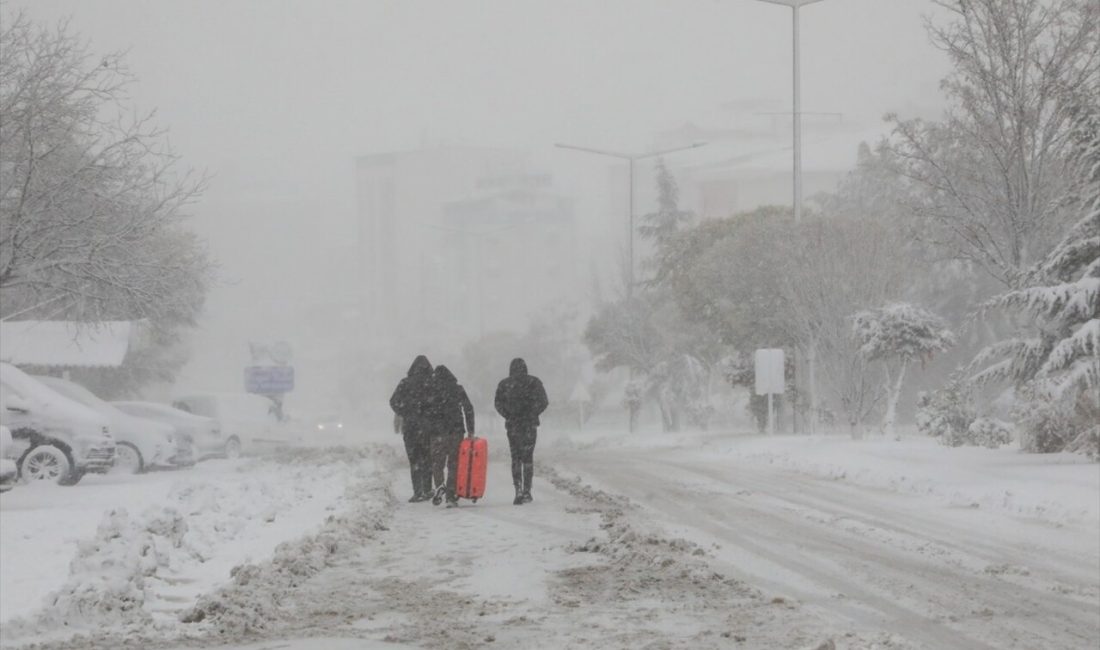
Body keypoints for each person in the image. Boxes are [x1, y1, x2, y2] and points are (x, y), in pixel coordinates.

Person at [494, 358, 548, 505]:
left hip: (513, 426)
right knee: (528, 458)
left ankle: (517, 489)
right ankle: (527, 491)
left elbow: (497, 404)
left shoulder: (504, 384)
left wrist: (509, 414)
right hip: (529, 425)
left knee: (516, 457)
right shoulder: (534, 382)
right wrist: (533, 413)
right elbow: (544, 401)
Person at [426, 365, 475, 508]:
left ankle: (440, 484)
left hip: (437, 433)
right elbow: (468, 408)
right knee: (454, 463)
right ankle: (451, 496)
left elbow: (423, 411)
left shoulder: (431, 390)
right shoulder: (457, 389)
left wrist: (428, 428)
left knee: (437, 463)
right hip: (455, 431)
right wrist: (471, 429)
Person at [389, 355, 434, 502]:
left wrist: (405, 412)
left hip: (410, 427)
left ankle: (417, 491)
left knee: (414, 460)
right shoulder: (432, 382)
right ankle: (428, 489)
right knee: (427, 458)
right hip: (428, 427)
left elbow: (393, 401)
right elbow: (439, 403)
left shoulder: (405, 383)